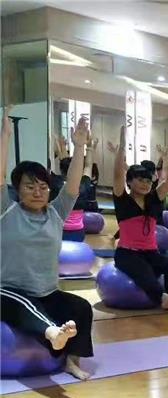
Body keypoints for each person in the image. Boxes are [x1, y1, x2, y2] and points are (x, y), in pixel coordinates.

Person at [0, 110, 94, 380]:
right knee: (25, 305)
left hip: (47, 292)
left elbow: (73, 186)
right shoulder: (7, 210)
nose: (38, 192)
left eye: (43, 187)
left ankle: (70, 361)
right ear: (17, 190)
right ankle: (53, 333)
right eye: (30, 187)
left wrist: (79, 147)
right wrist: (5, 136)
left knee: (81, 308)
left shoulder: (56, 213)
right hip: (8, 291)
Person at [111, 126, 168, 314]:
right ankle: (163, 299)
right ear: (129, 182)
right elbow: (117, 174)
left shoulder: (154, 199)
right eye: (140, 180)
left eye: (148, 181)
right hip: (127, 254)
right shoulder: (122, 200)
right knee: (144, 272)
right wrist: (121, 147)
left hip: (151, 252)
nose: (145, 184)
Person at [61, 138, 99, 242]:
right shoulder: (83, 184)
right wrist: (89, 147)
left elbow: (63, 163)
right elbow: (88, 166)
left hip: (60, 230)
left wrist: (62, 146)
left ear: (62, 171)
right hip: (78, 231)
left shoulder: (57, 184)